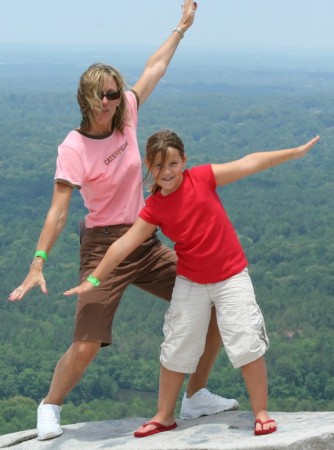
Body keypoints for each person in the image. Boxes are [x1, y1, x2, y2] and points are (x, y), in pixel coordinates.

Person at [8, 1, 240, 442]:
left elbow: (153, 70)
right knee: (88, 342)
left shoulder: (127, 118)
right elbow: (59, 210)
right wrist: (38, 260)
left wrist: (181, 29)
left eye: (116, 94)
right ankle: (50, 406)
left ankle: (196, 394)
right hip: (102, 247)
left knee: (215, 306)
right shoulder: (73, 148)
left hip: (144, 239)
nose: (112, 102)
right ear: (87, 98)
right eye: (104, 95)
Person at [64, 130, 320, 437]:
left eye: (173, 163)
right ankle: (163, 415)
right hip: (192, 281)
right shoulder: (154, 207)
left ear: (184, 160)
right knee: (177, 345)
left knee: (246, 340)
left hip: (231, 275)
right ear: (149, 166)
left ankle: (261, 411)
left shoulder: (203, 177)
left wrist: (293, 152)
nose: (167, 172)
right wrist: (93, 278)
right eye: (158, 166)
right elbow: (123, 245)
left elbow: (250, 162)